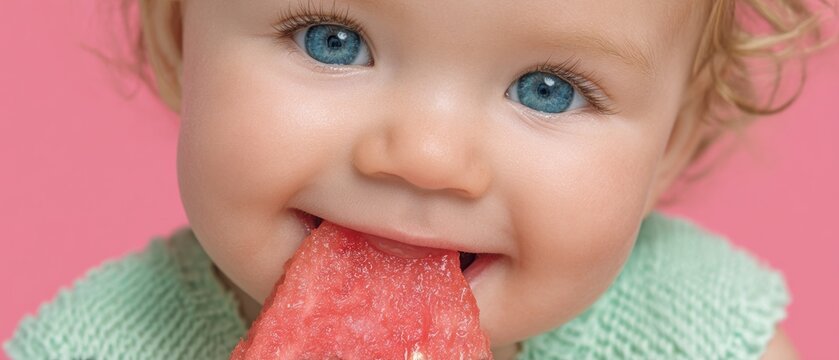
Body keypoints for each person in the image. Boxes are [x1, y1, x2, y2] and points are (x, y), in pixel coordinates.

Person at [5, 0, 833, 358]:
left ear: (670, 146)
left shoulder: (692, 334)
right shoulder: (95, 348)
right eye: (332, 39)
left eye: (546, 90)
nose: (425, 157)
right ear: (181, 37)